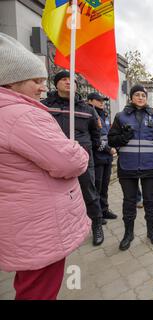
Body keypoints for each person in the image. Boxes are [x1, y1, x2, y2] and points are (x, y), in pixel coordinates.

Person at [0, 33, 90, 300]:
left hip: (23, 218)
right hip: (39, 223)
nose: (43, 88)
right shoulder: (21, 115)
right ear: (12, 82)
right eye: (36, 81)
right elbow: (69, 161)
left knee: (30, 285)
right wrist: (78, 150)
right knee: (39, 291)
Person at [42, 71, 105, 246]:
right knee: (55, 196)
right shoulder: (44, 106)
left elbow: (95, 134)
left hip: (82, 158)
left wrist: (88, 150)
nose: (68, 82)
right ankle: (61, 230)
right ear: (56, 84)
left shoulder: (87, 109)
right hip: (53, 159)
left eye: (72, 80)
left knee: (89, 192)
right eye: (63, 79)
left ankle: (97, 225)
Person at [108, 85, 153, 250]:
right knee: (129, 202)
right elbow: (111, 140)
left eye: (143, 95)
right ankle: (128, 234)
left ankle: (152, 231)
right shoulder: (120, 117)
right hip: (127, 168)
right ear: (131, 97)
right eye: (137, 94)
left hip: (150, 167)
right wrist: (123, 137)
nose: (141, 97)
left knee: (150, 200)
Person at [87, 92, 118, 222]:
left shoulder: (104, 114)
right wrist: (108, 149)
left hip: (107, 157)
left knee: (105, 186)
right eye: (98, 100)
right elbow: (93, 139)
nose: (102, 102)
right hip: (97, 157)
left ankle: (104, 210)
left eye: (103, 100)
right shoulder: (89, 114)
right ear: (90, 101)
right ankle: (97, 214)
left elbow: (107, 134)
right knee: (97, 186)